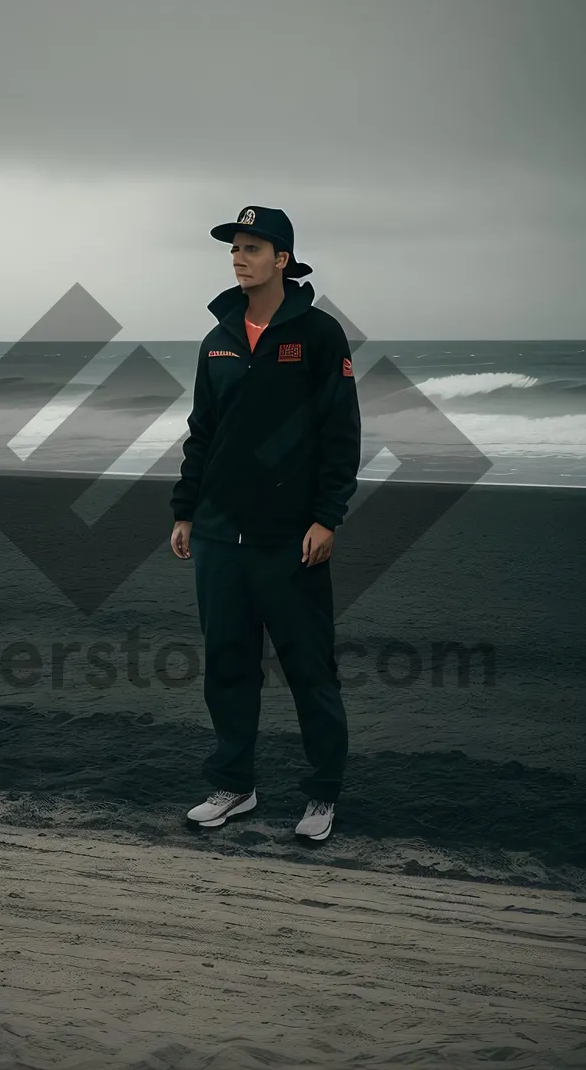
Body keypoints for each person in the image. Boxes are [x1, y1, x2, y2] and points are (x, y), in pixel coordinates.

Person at [169, 205, 362, 841]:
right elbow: (203, 433)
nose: (238, 258)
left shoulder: (319, 335)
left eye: (251, 248)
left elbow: (340, 434)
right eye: (233, 249)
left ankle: (321, 796)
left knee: (309, 668)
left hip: (290, 539)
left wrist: (326, 517)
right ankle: (235, 786)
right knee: (228, 664)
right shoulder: (217, 338)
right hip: (222, 534)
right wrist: (186, 510)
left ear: (282, 258)